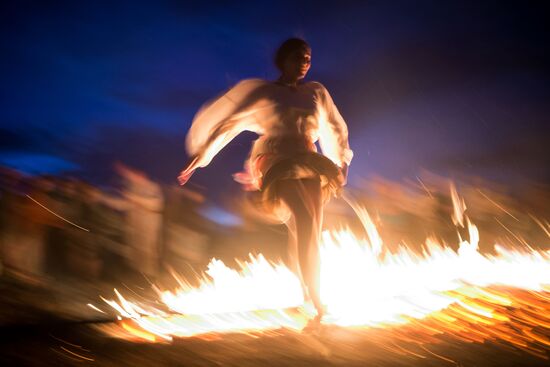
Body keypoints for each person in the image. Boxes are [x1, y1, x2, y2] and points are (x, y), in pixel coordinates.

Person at [178, 38, 353, 320]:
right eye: (298, 58)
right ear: (283, 61)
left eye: (307, 58)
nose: (304, 64)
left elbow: (334, 127)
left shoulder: (316, 92)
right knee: (305, 221)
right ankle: (316, 298)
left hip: (310, 160)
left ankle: (308, 291)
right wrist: (201, 157)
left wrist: (340, 162)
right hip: (277, 161)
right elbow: (229, 124)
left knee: (311, 230)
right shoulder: (266, 92)